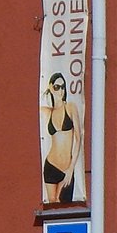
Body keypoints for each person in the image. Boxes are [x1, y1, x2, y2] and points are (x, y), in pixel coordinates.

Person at [41, 73, 82, 204]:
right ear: (51, 88)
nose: (61, 91)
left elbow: (78, 138)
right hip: (50, 165)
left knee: (63, 203)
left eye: (63, 87)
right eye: (57, 87)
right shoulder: (48, 112)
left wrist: (71, 168)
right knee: (52, 204)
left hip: (66, 168)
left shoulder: (70, 107)